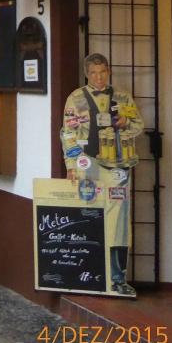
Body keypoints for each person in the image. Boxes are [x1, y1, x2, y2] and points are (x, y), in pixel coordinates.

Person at [59, 53, 143, 295]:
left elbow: (139, 125)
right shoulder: (75, 99)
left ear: (109, 71)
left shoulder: (122, 98)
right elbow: (68, 133)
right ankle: (87, 274)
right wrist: (71, 165)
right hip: (88, 164)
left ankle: (117, 280)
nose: (98, 77)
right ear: (87, 73)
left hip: (118, 166)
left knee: (119, 221)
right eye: (94, 73)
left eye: (102, 72)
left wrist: (126, 122)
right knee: (88, 214)